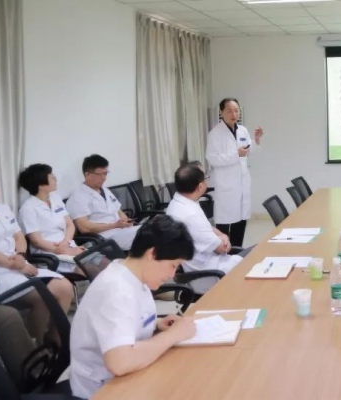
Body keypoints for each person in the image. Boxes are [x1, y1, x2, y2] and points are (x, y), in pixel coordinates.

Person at [69, 215, 197, 399]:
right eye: (173, 265)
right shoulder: (116, 290)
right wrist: (173, 335)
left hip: (126, 376)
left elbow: (126, 319)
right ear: (152, 254)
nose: (172, 274)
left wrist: (156, 323)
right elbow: (120, 363)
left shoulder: (132, 274)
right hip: (103, 389)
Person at [0, 169, 74, 339]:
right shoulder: (28, 207)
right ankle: (37, 343)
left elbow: (19, 236)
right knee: (43, 296)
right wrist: (15, 264)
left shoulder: (2, 208)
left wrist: (21, 256)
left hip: (21, 262)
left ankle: (56, 337)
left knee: (65, 287)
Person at [166, 163, 252, 293]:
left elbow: (208, 228)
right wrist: (224, 237)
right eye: (206, 178)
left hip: (210, 265)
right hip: (211, 274)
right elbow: (223, 248)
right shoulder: (190, 215)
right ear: (200, 186)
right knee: (259, 255)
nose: (207, 180)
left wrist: (221, 235)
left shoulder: (179, 203)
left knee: (258, 252)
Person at [206, 98, 264, 247]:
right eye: (229, 111)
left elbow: (247, 151)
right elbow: (213, 159)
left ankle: (237, 252)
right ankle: (223, 253)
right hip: (226, 186)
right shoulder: (215, 134)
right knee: (224, 225)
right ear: (221, 112)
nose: (234, 114)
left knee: (241, 221)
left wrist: (256, 141)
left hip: (242, 184)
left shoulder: (242, 130)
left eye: (236, 111)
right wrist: (235, 154)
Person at [18, 164, 86, 274]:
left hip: (68, 245)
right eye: (51, 176)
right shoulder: (28, 209)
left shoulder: (55, 198)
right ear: (41, 185)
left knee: (103, 261)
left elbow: (70, 224)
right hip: (49, 254)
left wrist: (66, 242)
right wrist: (64, 250)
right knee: (89, 268)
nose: (55, 178)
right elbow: (37, 241)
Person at [66, 154, 140, 250]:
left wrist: (126, 221)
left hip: (123, 231)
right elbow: (84, 228)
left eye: (105, 173)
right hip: (106, 237)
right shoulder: (77, 198)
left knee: (153, 230)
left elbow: (118, 211)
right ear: (87, 175)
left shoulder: (105, 190)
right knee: (150, 237)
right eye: (99, 174)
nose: (104, 178)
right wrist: (114, 225)